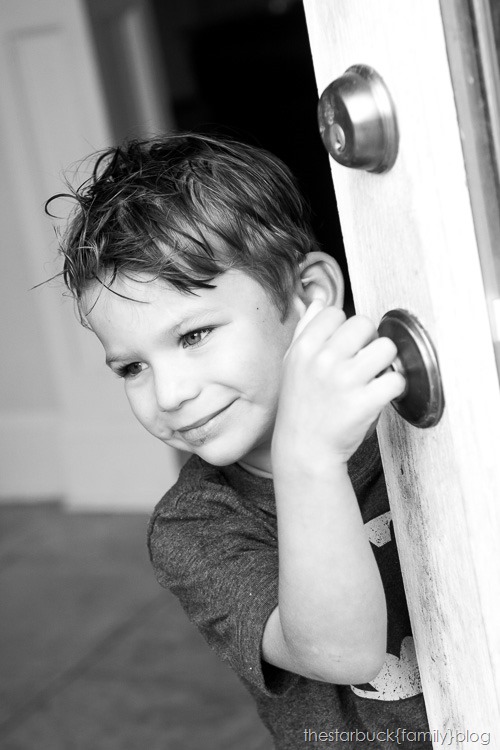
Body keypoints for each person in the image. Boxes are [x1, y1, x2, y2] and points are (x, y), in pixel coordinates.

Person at [46, 133, 431, 749]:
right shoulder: (195, 527)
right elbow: (342, 653)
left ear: (309, 296)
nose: (168, 393)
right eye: (132, 367)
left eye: (194, 335)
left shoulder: (424, 410)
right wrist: (308, 460)